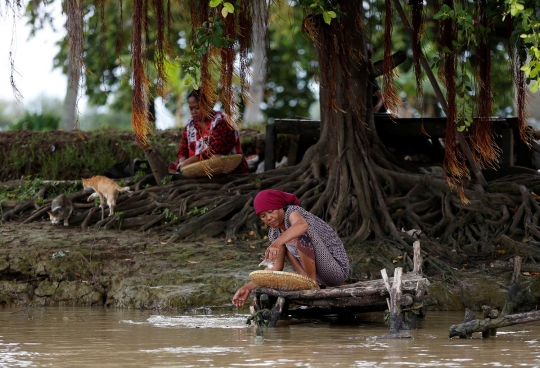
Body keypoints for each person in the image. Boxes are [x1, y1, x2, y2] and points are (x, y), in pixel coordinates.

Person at [232, 189, 350, 307]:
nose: (268, 218)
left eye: (271, 211)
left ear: (280, 207)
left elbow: (302, 225)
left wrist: (277, 243)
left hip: (335, 269)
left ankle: (312, 283)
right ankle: (308, 281)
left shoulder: (292, 212)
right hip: (316, 277)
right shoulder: (275, 233)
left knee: (298, 234)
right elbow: (276, 266)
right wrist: (247, 287)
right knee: (285, 240)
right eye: (263, 216)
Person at [168, 89, 249, 174]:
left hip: (223, 166)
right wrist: (182, 162)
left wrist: (187, 163)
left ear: (208, 105)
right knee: (172, 168)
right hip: (195, 164)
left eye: (197, 108)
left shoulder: (223, 122)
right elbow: (183, 149)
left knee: (216, 160)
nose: (193, 112)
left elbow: (213, 152)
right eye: (191, 109)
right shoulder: (190, 124)